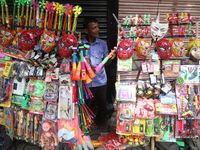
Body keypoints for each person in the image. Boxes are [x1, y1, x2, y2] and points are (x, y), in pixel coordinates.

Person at [81, 17, 116, 126]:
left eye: (98, 27)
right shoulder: (80, 45)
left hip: (101, 80)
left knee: (102, 105)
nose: (97, 30)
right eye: (94, 28)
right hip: (86, 82)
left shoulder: (102, 44)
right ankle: (86, 125)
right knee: (87, 105)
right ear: (86, 31)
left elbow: (106, 64)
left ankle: (101, 125)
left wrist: (110, 58)